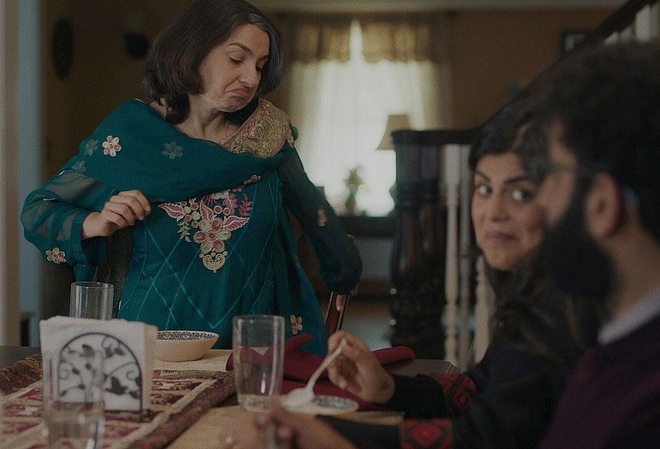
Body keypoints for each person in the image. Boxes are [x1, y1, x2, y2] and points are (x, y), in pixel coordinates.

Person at [225, 97, 603, 449]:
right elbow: (477, 388)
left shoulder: (566, 309)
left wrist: (331, 434)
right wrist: (388, 388)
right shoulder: (534, 292)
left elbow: (489, 436)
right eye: (484, 189)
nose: (493, 213)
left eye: (520, 193)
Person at [20, 0, 361, 354]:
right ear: (192, 51)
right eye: (236, 59)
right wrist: (97, 222)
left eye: (260, 67)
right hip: (150, 348)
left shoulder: (267, 140)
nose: (251, 78)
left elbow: (324, 227)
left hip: (249, 352)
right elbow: (39, 211)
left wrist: (345, 277)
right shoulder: (130, 138)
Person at [527, 41, 660, 449]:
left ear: (603, 203)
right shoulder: (623, 341)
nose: (540, 199)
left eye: (552, 173)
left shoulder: (644, 408)